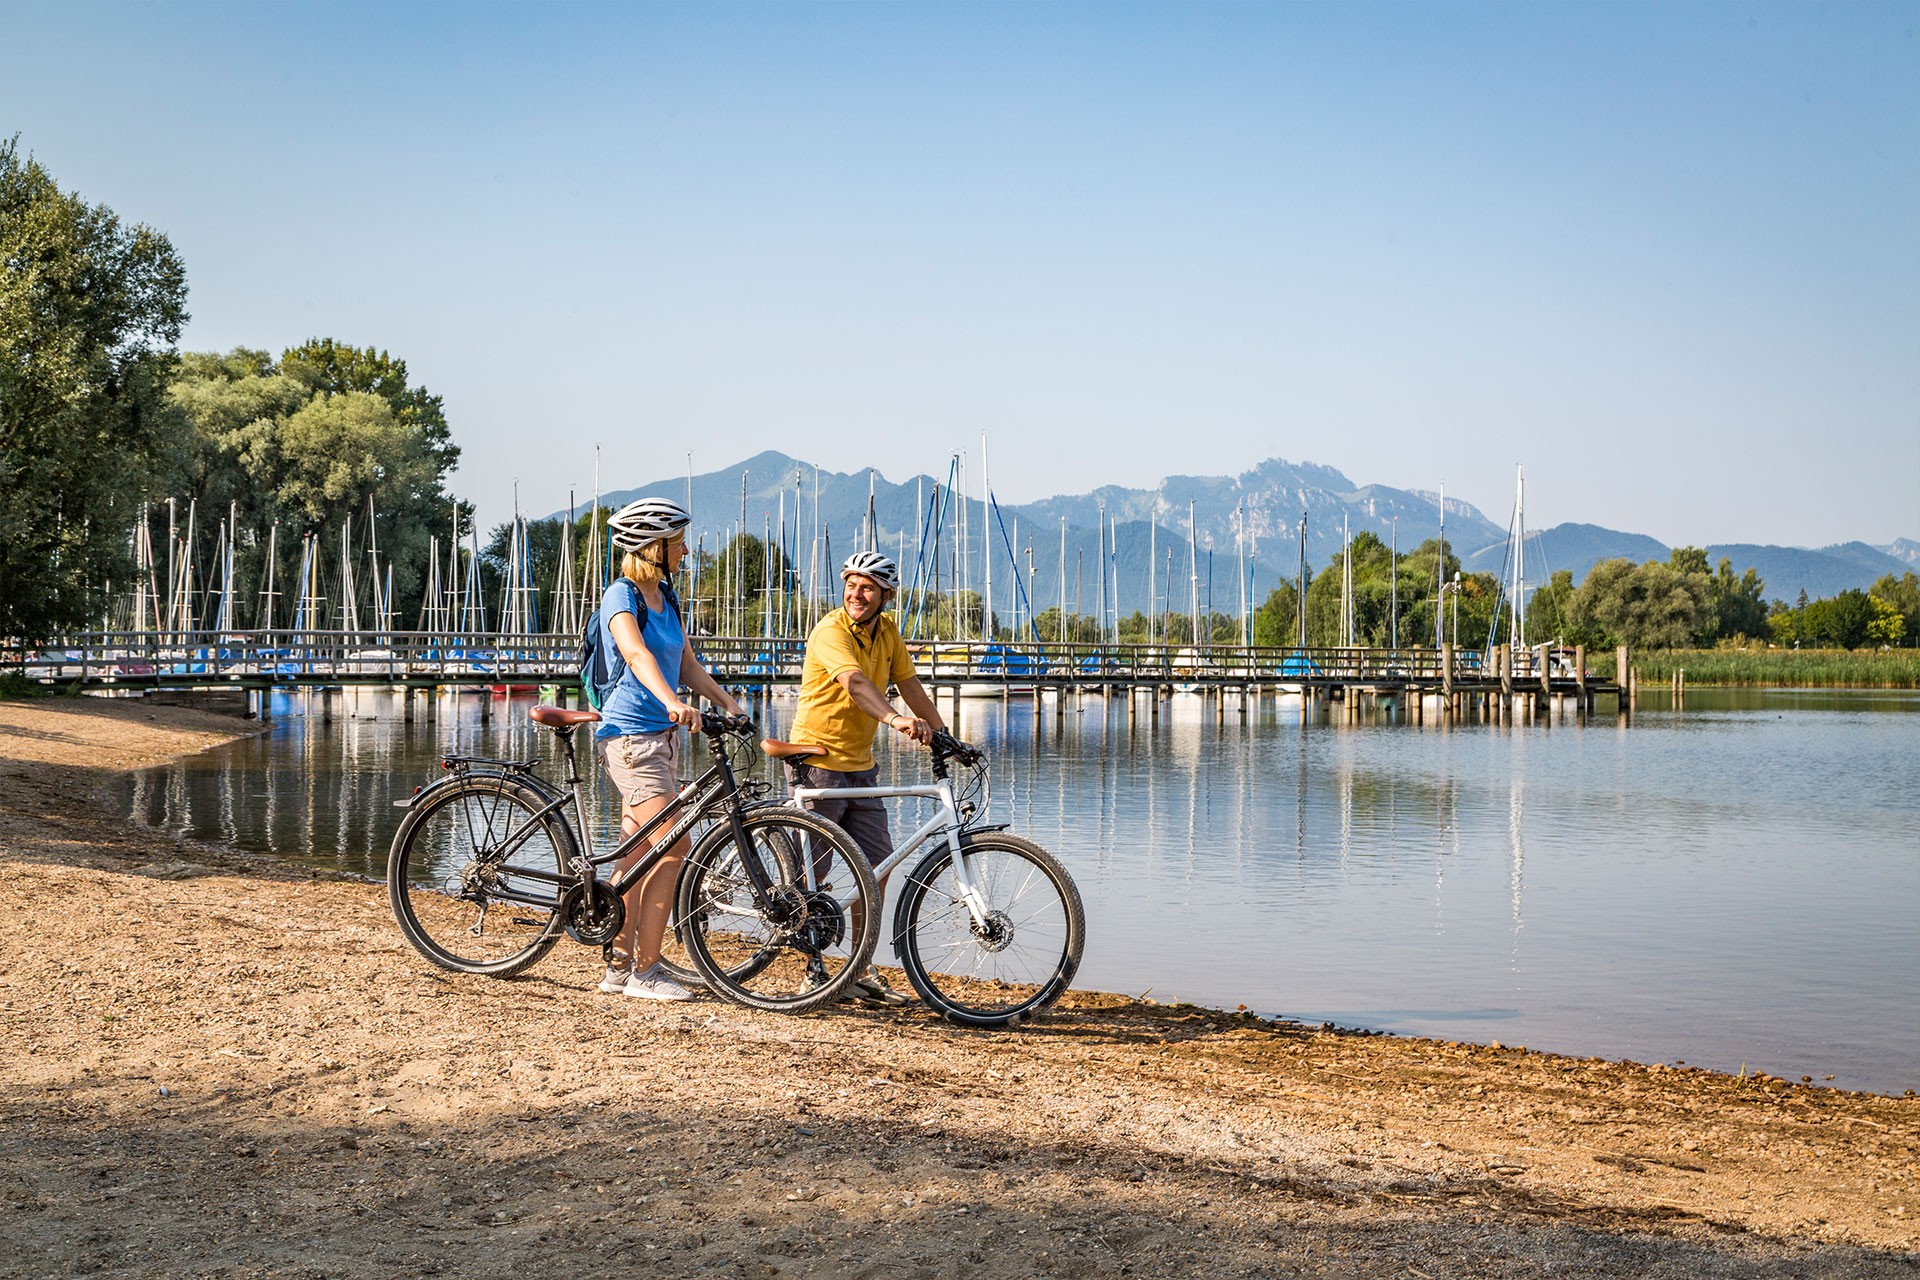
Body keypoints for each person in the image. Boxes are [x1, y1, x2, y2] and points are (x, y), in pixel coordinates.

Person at [594, 496, 748, 1000]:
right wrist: (671, 703)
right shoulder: (621, 596)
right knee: (674, 846)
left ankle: (618, 968)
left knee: (637, 853)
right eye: (678, 542)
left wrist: (729, 704)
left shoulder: (666, 595)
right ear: (652, 546)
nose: (686, 551)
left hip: (661, 737)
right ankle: (646, 969)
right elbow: (636, 655)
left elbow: (686, 663)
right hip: (632, 736)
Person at [787, 550, 947, 1007]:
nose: (857, 594)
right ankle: (813, 970)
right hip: (817, 759)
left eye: (868, 588)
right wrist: (896, 721)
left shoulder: (889, 631)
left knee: (878, 865)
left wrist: (943, 735)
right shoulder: (831, 630)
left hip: (860, 763)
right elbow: (855, 684)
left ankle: (858, 969)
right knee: (812, 875)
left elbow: (910, 685)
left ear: (885, 596)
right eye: (852, 585)